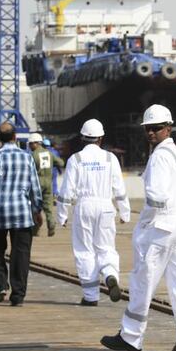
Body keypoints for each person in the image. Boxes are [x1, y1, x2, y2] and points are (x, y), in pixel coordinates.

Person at [101, 104, 176, 351]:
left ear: (168, 128)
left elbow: (156, 197)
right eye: (148, 128)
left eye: (156, 128)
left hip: (163, 226)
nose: (151, 133)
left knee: (142, 282)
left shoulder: (159, 156)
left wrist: (144, 223)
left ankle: (131, 336)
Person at [57, 120, 130, 305]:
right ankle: (110, 274)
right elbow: (119, 188)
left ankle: (91, 297)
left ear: (83, 138)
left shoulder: (76, 159)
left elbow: (67, 191)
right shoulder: (110, 158)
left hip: (84, 207)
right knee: (106, 247)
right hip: (106, 207)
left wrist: (62, 215)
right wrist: (124, 213)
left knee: (85, 251)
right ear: (101, 138)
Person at [0, 122, 43, 306]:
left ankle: (1, 285)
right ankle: (18, 295)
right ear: (15, 137)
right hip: (22, 212)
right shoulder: (27, 157)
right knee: (21, 253)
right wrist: (37, 210)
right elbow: (34, 186)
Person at [29, 133, 64, 237]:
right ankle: (51, 225)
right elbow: (61, 163)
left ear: (36, 143)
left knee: (35, 208)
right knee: (48, 207)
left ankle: (35, 230)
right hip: (48, 183)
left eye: (31, 144)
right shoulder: (49, 153)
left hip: (37, 184)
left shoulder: (33, 155)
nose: (30, 146)